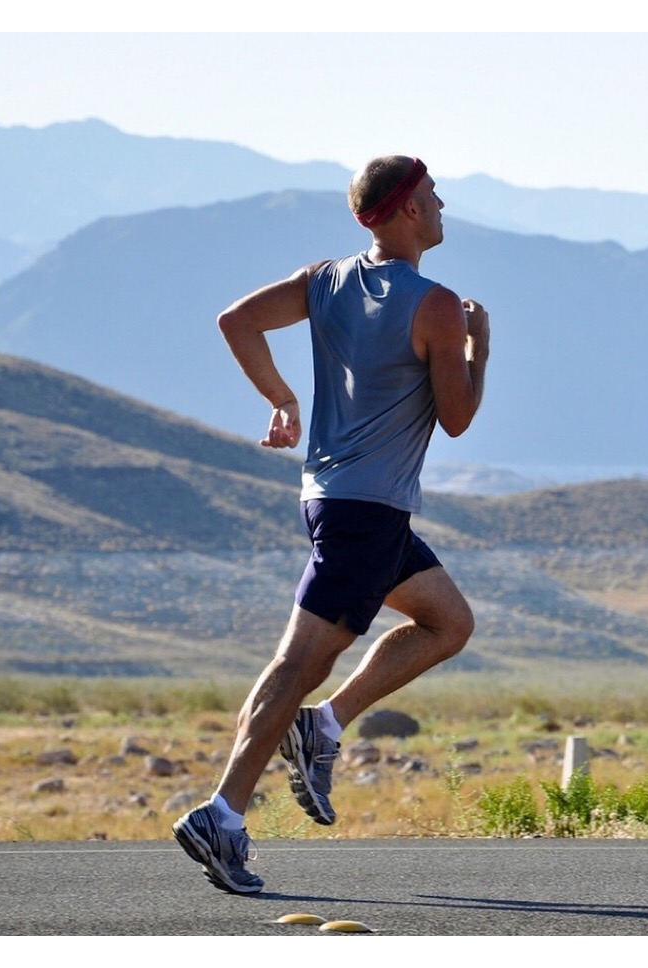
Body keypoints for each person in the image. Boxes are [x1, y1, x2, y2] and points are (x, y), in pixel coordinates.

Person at [173, 156, 490, 894]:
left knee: (448, 622)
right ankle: (222, 813)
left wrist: (281, 398)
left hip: (337, 500)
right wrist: (480, 347)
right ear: (408, 208)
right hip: (367, 512)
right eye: (435, 198)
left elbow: (237, 320)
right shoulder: (437, 306)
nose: (444, 209)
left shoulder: (325, 279)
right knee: (297, 663)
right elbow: (458, 418)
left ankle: (324, 725)